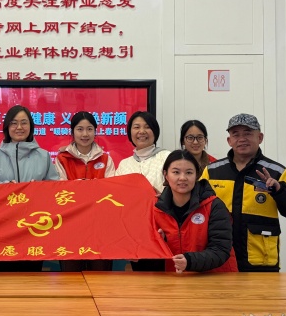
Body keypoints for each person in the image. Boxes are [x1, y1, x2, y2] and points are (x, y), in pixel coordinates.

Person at [201, 113, 286, 272]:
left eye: (248, 133)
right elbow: (195, 207)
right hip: (220, 260)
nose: (241, 139)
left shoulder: (277, 172)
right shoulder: (212, 171)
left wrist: (279, 190)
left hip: (261, 262)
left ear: (260, 137)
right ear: (229, 140)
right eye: (236, 134)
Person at [0, 105, 59, 272]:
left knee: (32, 277)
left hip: (35, 227)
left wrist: (38, 189)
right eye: (14, 123)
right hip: (2, 227)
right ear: (7, 127)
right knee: (3, 278)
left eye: (24, 122)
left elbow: (54, 188)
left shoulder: (43, 156)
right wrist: (4, 187)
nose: (19, 127)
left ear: (31, 126)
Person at [154, 150, 237, 273]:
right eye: (176, 172)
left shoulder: (214, 206)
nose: (182, 178)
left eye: (189, 172)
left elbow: (220, 249)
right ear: (166, 174)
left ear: (197, 175)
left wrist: (190, 261)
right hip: (175, 278)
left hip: (216, 278)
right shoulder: (156, 209)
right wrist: (157, 243)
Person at [54, 111, 115, 271]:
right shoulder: (62, 159)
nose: (85, 134)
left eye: (89, 129)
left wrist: (80, 186)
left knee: (100, 275)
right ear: (72, 132)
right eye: (80, 129)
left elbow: (111, 189)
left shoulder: (106, 159)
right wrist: (89, 187)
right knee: (71, 276)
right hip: (70, 225)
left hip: (100, 226)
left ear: (95, 131)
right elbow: (60, 190)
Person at [114, 111, 170, 271]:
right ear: (130, 132)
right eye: (136, 127)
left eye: (147, 127)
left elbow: (179, 189)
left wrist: (161, 195)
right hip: (133, 231)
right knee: (140, 276)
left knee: (162, 277)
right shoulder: (124, 164)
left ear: (155, 131)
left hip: (161, 228)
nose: (141, 131)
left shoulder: (167, 157)